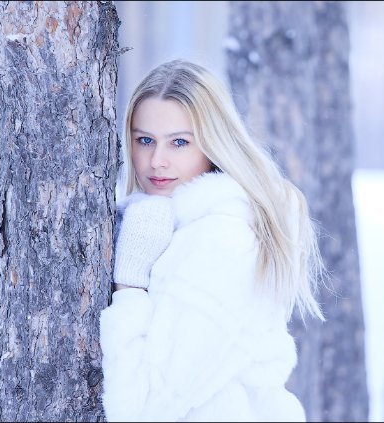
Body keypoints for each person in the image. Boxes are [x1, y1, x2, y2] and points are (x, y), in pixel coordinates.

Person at [99, 60, 326, 422]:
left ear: (214, 145)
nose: (157, 161)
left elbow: (140, 410)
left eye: (179, 142)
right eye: (145, 140)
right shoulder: (180, 226)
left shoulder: (223, 241)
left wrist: (129, 285)